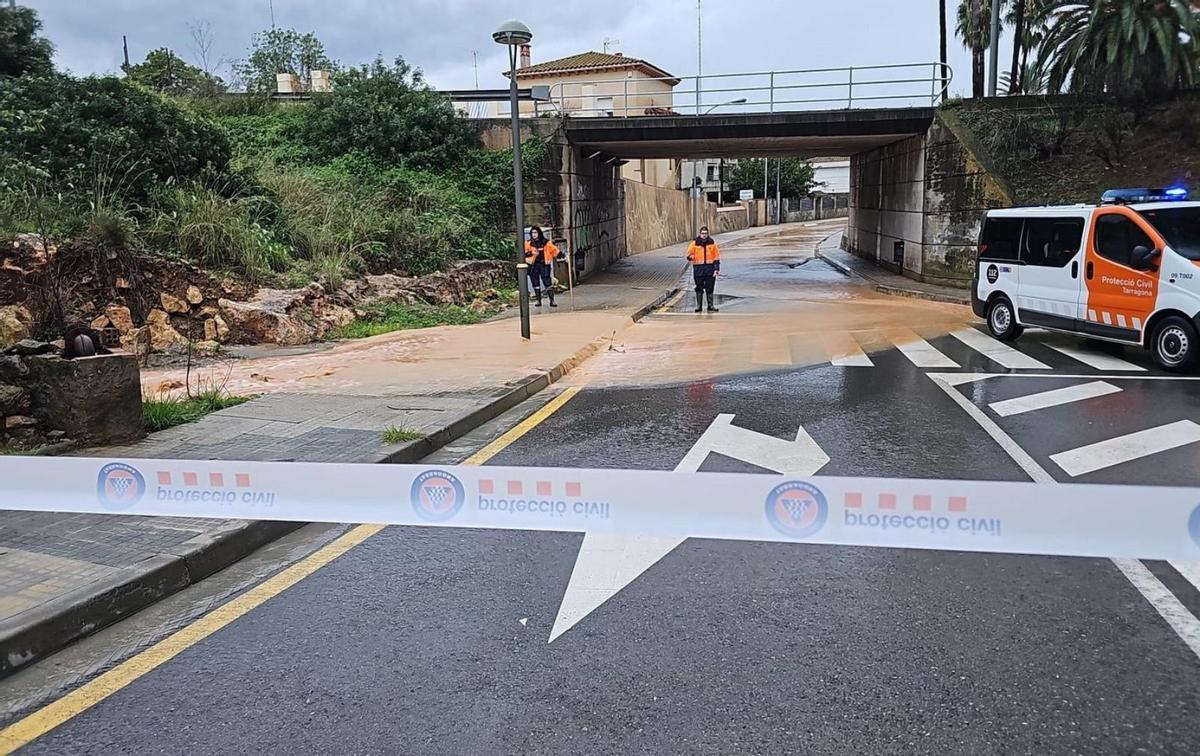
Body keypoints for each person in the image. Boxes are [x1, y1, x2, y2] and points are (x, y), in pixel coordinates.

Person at [524, 226, 563, 307]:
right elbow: (524, 253)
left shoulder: (546, 242)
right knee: (535, 282)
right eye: (532, 233)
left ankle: (552, 300)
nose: (534, 234)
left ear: (539, 233)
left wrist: (563, 256)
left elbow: (555, 251)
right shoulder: (528, 243)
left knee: (547, 281)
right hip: (533, 265)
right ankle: (538, 300)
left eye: (535, 233)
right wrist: (531, 253)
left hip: (544, 265)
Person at [687, 226, 721, 313]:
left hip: (710, 269)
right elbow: (689, 254)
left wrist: (716, 269)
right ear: (700, 234)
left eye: (705, 234)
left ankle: (710, 305)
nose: (704, 235)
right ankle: (699, 306)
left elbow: (716, 257)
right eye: (703, 234)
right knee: (699, 287)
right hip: (699, 269)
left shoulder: (712, 243)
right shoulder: (694, 244)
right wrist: (690, 257)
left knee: (710, 287)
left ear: (708, 234)